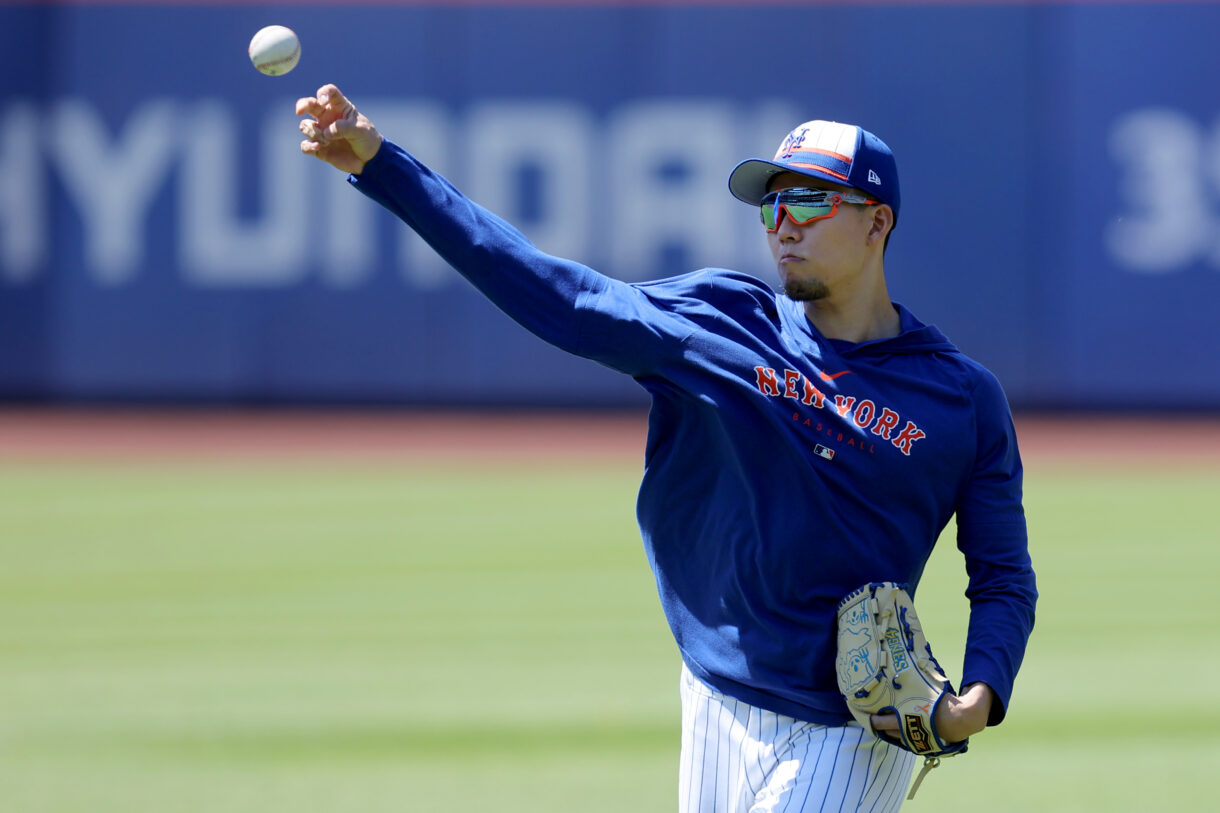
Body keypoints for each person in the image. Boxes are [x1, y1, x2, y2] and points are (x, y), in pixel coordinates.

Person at [295, 84, 1037, 812]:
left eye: (808, 201)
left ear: (877, 223)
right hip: (711, 698)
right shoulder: (719, 324)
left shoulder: (961, 400)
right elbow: (556, 291)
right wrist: (382, 165)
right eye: (771, 203)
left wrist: (981, 692)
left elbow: (1003, 573)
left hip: (846, 734)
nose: (782, 222)